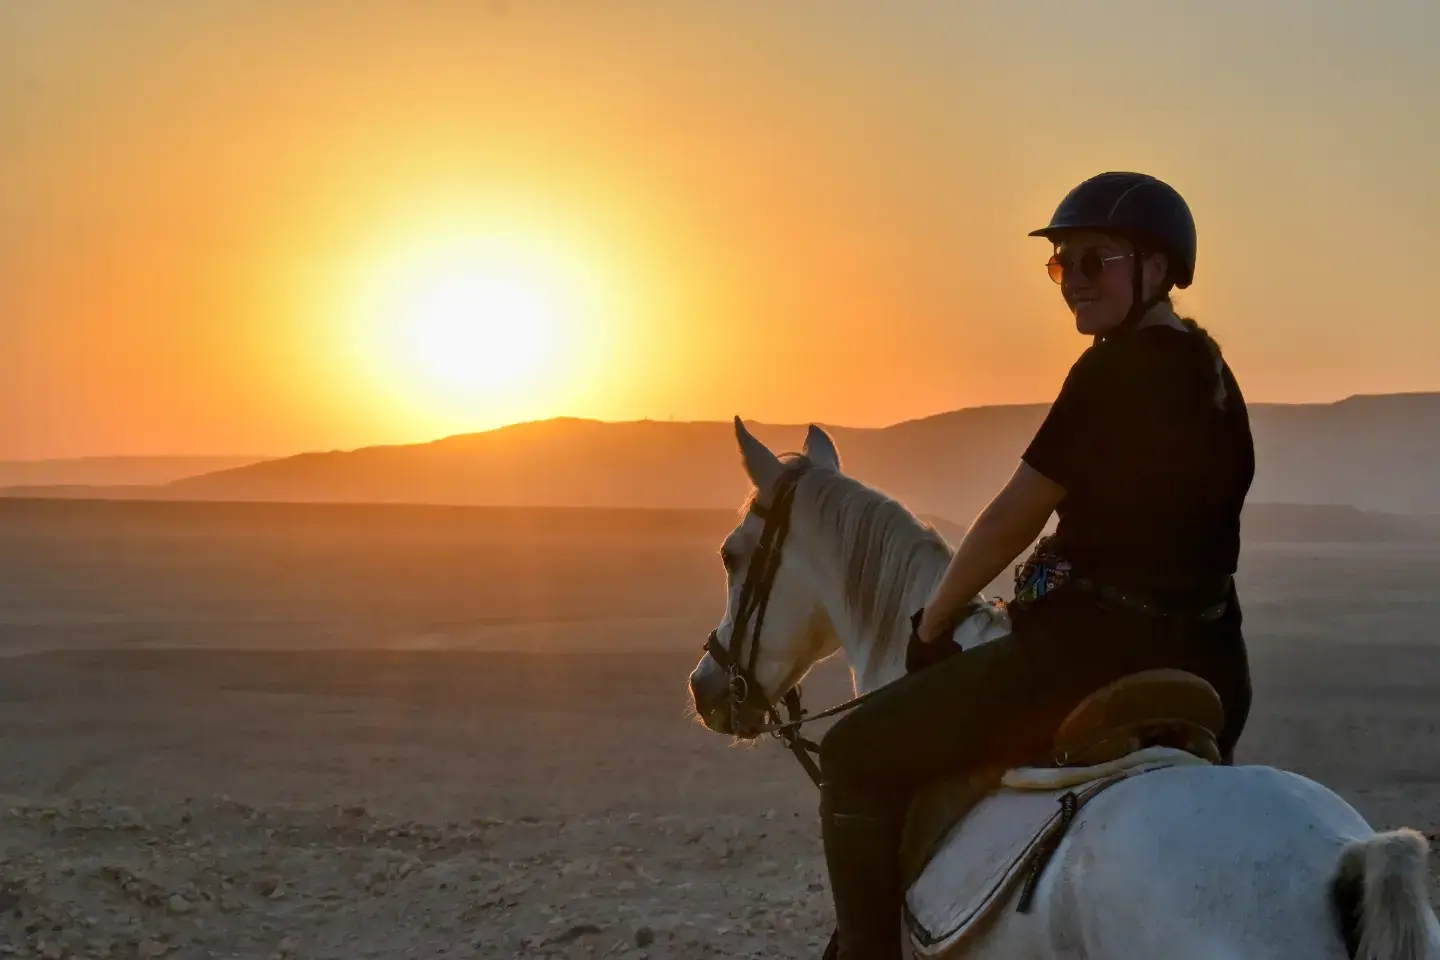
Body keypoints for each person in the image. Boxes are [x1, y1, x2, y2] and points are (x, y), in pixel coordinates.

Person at [815, 171, 1256, 959]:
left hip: (1087, 657)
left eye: (1099, 261)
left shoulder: (1112, 370)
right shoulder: (1217, 377)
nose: (1076, 282)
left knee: (852, 757)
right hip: (1217, 665)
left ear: (1157, 268)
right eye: (1064, 265)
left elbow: (1014, 512)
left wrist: (937, 617)